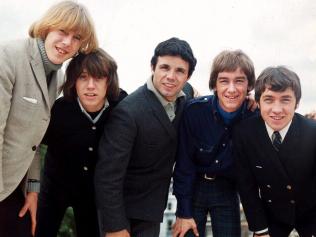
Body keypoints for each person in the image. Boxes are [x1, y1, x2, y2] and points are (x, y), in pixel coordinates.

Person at [0, 1, 98, 236]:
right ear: (47, 28)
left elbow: (34, 140)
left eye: (76, 37)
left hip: (16, 185)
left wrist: (33, 190)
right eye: (62, 31)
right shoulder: (8, 57)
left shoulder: (58, 77)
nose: (67, 42)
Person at [94, 37, 197, 237]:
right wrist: (114, 226)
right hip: (122, 213)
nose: (170, 76)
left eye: (179, 71)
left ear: (188, 76)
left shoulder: (185, 98)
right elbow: (107, 175)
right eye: (164, 67)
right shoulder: (128, 112)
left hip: (151, 212)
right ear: (153, 66)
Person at [35, 48, 127, 237]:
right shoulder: (58, 110)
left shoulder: (122, 106)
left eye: (98, 78)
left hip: (94, 192)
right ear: (73, 81)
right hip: (55, 186)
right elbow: (32, 148)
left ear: (109, 81)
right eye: (83, 77)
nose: (90, 86)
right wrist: (32, 189)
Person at [172, 50, 257, 237]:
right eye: (224, 81)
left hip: (227, 189)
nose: (232, 89)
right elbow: (184, 165)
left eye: (239, 81)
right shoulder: (194, 112)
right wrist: (183, 211)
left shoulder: (255, 116)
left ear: (249, 85)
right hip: (193, 187)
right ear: (215, 85)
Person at [233, 66, 316, 236]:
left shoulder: (313, 133)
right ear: (258, 101)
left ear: (297, 103)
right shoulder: (245, 133)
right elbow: (247, 188)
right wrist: (260, 230)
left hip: (311, 215)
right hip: (272, 216)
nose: (277, 110)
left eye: (285, 100)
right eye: (269, 99)